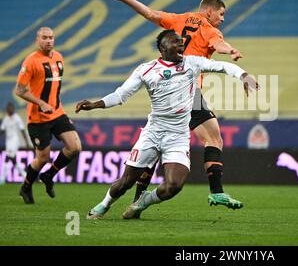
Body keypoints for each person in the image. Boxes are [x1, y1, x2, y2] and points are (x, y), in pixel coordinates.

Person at [76, 29, 258, 220]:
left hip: (178, 136)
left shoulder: (192, 62)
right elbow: (120, 95)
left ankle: (143, 202)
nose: (181, 45)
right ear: (162, 48)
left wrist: (243, 75)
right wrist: (94, 104)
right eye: (175, 42)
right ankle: (104, 205)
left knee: (174, 185)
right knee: (126, 182)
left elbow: (222, 66)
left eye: (182, 42)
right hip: (153, 133)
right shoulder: (146, 70)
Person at [106, 0, 246, 209]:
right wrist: (230, 50)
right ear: (209, 11)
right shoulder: (210, 30)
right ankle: (216, 191)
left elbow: (150, 14)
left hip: (166, 87)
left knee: (158, 144)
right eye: (221, 14)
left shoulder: (179, 19)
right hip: (187, 90)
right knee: (213, 137)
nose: (222, 19)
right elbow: (218, 44)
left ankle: (137, 198)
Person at [15, 27, 82, 204]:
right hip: (37, 118)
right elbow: (19, 90)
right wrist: (41, 103)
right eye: (44, 38)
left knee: (75, 147)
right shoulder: (30, 61)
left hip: (57, 113)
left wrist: (60, 111)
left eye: (51, 37)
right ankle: (26, 187)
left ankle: (48, 175)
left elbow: (54, 90)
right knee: (43, 157)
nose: (48, 41)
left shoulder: (59, 57)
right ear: (37, 40)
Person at [0, 102, 31, 183]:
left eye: (11, 107)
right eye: (8, 108)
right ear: (7, 109)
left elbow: (22, 130)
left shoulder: (17, 118)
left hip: (15, 140)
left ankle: (2, 178)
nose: (10, 109)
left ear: (13, 109)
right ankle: (24, 175)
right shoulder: (6, 119)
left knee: (8, 157)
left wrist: (26, 142)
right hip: (8, 141)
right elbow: (2, 130)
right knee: (12, 159)